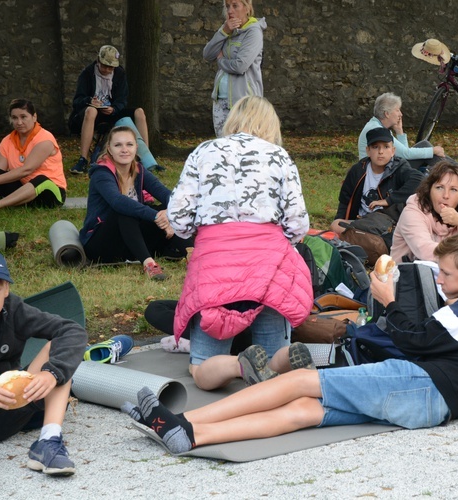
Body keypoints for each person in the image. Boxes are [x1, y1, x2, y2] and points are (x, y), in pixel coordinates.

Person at [121, 232, 458, 454]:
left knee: (299, 382)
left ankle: (182, 421)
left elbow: (414, 343)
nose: (440, 280)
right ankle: (190, 435)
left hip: (422, 386)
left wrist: (390, 302)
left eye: (446, 274)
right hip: (432, 402)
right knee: (302, 410)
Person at [167, 96, 312, 391]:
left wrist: (205, 231)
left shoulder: (203, 152)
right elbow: (297, 223)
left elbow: (179, 218)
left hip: (215, 266)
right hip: (268, 266)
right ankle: (288, 362)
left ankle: (236, 364)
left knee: (201, 365)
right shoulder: (279, 157)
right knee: (273, 355)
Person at [0, 249, 87, 493]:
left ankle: (49, 440)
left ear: (7, 289)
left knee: (60, 354)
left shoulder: (14, 309)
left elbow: (72, 331)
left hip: (11, 404)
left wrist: (51, 374)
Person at [79, 126, 191, 280]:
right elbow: (118, 202)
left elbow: (166, 194)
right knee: (125, 212)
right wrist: (157, 217)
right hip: (100, 245)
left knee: (171, 208)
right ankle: (149, 264)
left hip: (129, 241)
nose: (124, 149)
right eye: (118, 145)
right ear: (110, 149)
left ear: (136, 148)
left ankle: (193, 254)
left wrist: (169, 213)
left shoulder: (139, 170)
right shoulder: (101, 174)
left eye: (129, 144)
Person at [358, 92, 458, 181]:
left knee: (423, 148)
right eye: (397, 110)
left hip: (383, 169)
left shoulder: (377, 126)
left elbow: (402, 155)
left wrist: (400, 132)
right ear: (387, 114)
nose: (401, 114)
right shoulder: (376, 130)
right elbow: (405, 154)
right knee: (425, 147)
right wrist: (432, 150)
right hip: (379, 174)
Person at [390, 161, 458, 263]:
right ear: (429, 190)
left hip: (450, 278)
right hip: (410, 279)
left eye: (453, 190)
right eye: (439, 188)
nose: (446, 196)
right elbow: (426, 251)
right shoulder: (412, 212)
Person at [68, 45, 150, 174]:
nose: (107, 70)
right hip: (90, 114)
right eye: (104, 66)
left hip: (111, 112)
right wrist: (90, 101)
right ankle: (83, 159)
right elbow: (77, 101)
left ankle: (146, 158)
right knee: (91, 111)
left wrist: (114, 108)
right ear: (98, 61)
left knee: (139, 112)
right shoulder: (87, 74)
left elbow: (122, 99)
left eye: (111, 67)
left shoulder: (119, 74)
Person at [0, 99, 66, 212]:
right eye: (14, 118)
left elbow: (26, 170)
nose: (19, 122)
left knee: (41, 180)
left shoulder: (45, 139)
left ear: (34, 117)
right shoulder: (7, 141)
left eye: (23, 117)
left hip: (51, 193)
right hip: (22, 189)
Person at [330, 127, 423, 235]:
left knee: (385, 233)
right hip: (360, 221)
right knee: (336, 225)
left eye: (386, 147)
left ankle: (363, 237)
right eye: (375, 147)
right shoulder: (358, 170)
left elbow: (419, 180)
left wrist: (389, 200)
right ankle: (360, 236)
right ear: (368, 151)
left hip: (386, 222)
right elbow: (345, 200)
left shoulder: (399, 168)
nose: (380, 152)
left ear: (393, 151)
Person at [203, 0, 266, 137]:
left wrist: (220, 60)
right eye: (227, 6)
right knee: (223, 148)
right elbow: (207, 55)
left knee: (244, 148)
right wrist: (223, 32)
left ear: (247, 8)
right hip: (221, 100)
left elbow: (240, 66)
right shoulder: (227, 29)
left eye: (235, 6)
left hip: (244, 101)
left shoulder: (253, 32)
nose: (230, 11)